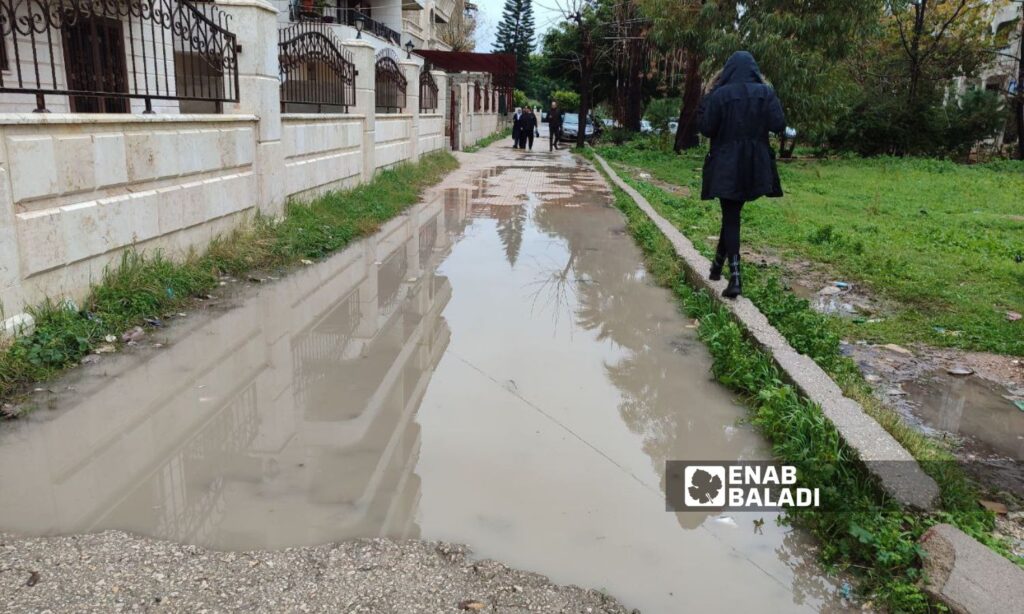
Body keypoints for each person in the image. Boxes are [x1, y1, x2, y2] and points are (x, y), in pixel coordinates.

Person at [698, 51, 785, 299]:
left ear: (727, 71)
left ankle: (735, 278)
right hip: (755, 165)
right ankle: (716, 268)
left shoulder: (719, 95)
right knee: (732, 214)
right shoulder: (766, 93)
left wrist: (706, 101)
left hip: (726, 163)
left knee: (731, 215)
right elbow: (778, 125)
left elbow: (706, 127)